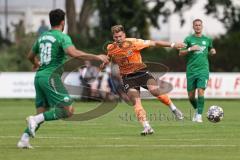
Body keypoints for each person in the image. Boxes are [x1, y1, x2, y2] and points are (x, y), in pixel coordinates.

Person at [17, 9, 109, 149]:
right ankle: (34, 119)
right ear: (62, 22)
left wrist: (36, 64)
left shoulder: (42, 37)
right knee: (67, 110)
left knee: (42, 114)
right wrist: (97, 57)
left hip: (39, 77)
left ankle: (24, 139)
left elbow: (30, 55)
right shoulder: (62, 37)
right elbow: (73, 53)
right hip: (50, 78)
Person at [106, 25, 185, 136]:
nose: (118, 39)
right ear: (113, 37)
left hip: (142, 73)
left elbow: (155, 43)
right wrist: (104, 63)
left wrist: (172, 44)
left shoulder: (134, 42)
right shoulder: (111, 47)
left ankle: (173, 108)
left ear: (124, 35)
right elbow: (108, 57)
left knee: (155, 92)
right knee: (136, 101)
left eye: (120, 36)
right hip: (127, 78)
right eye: (115, 37)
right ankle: (147, 126)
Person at [179, 19, 216, 123]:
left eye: (199, 25)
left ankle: (199, 115)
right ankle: (197, 109)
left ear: (202, 26)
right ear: (193, 27)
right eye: (196, 25)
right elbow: (180, 53)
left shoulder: (207, 39)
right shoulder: (188, 39)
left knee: (201, 91)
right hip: (191, 71)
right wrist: (191, 49)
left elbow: (211, 48)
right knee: (191, 96)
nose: (198, 27)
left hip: (203, 70)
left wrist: (212, 50)